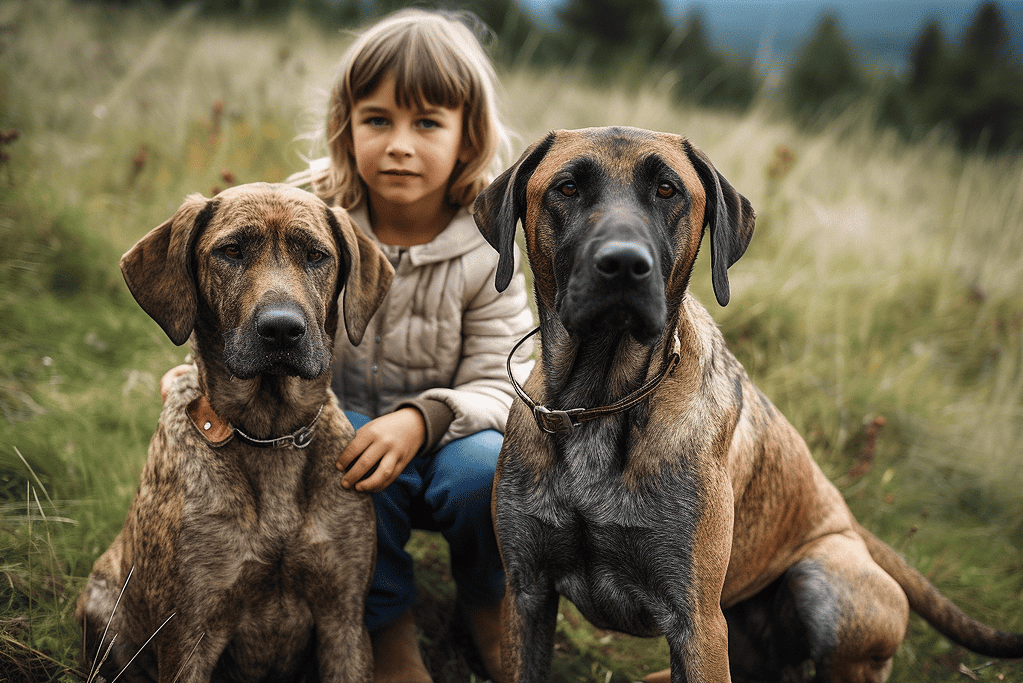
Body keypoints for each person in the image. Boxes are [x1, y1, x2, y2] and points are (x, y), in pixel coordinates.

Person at [294, 9, 533, 683]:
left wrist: (422, 417)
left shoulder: (488, 245)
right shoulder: (309, 222)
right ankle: (387, 617)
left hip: (454, 438)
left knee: (485, 468)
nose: (399, 144)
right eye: (377, 120)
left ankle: (488, 600)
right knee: (356, 447)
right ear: (347, 126)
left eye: (426, 122)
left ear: (467, 137)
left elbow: (506, 379)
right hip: (341, 444)